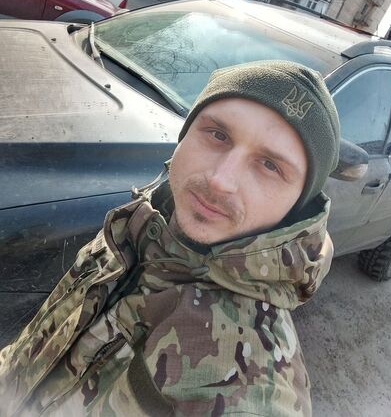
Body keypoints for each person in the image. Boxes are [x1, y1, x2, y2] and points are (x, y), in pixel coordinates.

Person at [0, 61, 340, 416]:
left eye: (270, 165)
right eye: (218, 135)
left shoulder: (254, 386)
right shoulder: (137, 226)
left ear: (296, 208)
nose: (221, 180)